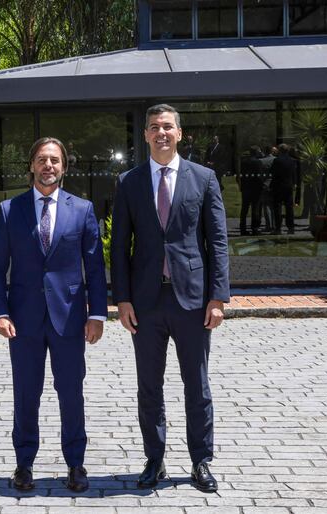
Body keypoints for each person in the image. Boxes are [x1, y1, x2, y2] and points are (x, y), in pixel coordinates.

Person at [110, 104, 230, 492]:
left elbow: (219, 241)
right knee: (149, 385)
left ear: (179, 133)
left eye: (167, 127)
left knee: (197, 385)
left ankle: (201, 461)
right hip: (145, 302)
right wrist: (122, 299)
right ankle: (154, 459)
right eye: (153, 127)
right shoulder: (127, 182)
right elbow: (119, 247)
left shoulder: (204, 178)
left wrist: (218, 297)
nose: (160, 133)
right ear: (144, 135)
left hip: (193, 301)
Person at [0, 137, 108, 493]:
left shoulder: (82, 209)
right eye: (42, 159)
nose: (48, 166)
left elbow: (95, 268)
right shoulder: (11, 210)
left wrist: (97, 313)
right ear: (32, 166)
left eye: (54, 160)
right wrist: (0, 312)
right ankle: (24, 465)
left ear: (64, 167)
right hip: (22, 320)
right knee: (26, 393)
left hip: (69, 319)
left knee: (71, 392)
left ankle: (76, 464)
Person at [270, 143, 299, 235]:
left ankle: (278, 228)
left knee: (277, 207)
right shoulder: (292, 161)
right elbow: (294, 173)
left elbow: (273, 173)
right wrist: (294, 183)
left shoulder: (277, 161)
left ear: (280, 150)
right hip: (288, 186)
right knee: (289, 207)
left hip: (278, 186)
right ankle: (291, 227)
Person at [237, 146, 265, 236]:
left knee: (244, 209)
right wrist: (262, 185)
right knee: (255, 209)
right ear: (256, 152)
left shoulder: (244, 162)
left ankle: (243, 228)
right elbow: (259, 176)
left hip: (246, 187)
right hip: (255, 188)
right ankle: (255, 228)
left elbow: (241, 175)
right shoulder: (258, 162)